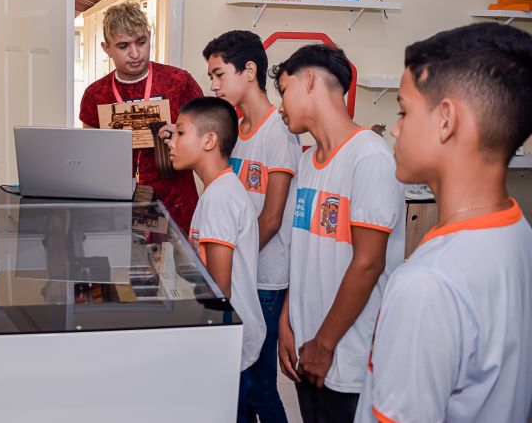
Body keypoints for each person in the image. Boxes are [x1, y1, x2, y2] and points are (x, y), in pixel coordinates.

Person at [354, 22, 532, 423]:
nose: (395, 128)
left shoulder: (426, 284)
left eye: (404, 110)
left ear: (446, 120)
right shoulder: (517, 231)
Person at [271, 44, 405, 423]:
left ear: (309, 80)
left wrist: (325, 344)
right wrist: (287, 322)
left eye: (284, 91)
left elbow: (368, 263)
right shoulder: (307, 162)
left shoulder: (369, 157)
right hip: (308, 347)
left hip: (345, 357)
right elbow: (303, 255)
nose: (280, 107)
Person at [203, 30, 301, 423]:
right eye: (211, 77)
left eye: (219, 74)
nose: (214, 85)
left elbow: (272, 218)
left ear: (248, 71)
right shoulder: (236, 130)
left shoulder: (278, 131)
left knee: (260, 387)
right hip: (240, 273)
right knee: (239, 384)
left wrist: (233, 260)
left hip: (264, 278)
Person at [165, 96, 266, 422]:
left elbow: (219, 288)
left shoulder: (219, 198)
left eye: (181, 133)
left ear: (209, 140)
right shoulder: (218, 190)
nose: (171, 141)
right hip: (231, 337)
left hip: (228, 339)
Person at [79, 1, 202, 231]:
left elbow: (206, 144)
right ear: (107, 48)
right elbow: (91, 156)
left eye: (141, 42)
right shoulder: (96, 94)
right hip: (119, 207)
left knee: (180, 256)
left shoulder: (179, 82)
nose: (135, 54)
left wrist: (181, 135)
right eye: (123, 46)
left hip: (177, 204)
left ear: (149, 37)